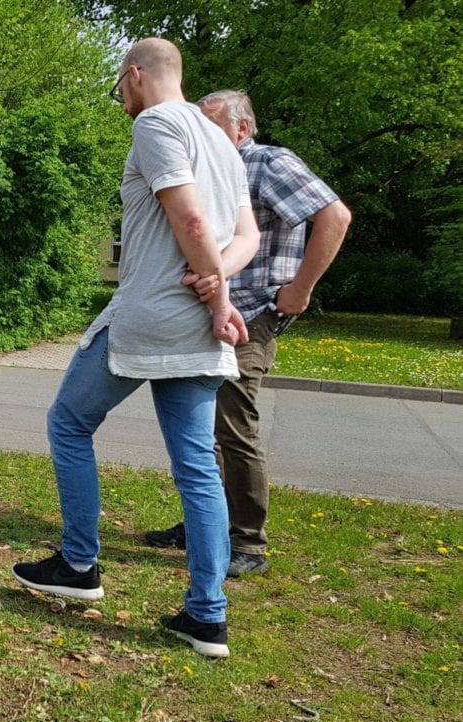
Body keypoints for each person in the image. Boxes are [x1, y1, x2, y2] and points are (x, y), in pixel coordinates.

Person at [11, 38, 260, 658]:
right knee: (199, 467)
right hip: (202, 332)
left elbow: (192, 223)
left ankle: (79, 566)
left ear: (134, 76)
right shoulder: (224, 142)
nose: (122, 99)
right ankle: (206, 617)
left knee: (69, 422)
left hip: (154, 318)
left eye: (120, 87)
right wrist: (218, 286)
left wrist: (217, 298)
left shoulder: (156, 121)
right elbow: (246, 235)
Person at [144, 90, 351, 577]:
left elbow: (335, 216)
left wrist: (299, 291)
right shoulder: (210, 169)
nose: (202, 133)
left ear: (242, 129)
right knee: (204, 429)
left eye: (213, 124)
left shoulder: (267, 162)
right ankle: (205, 525)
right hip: (211, 314)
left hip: (253, 313)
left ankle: (247, 543)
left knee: (234, 428)